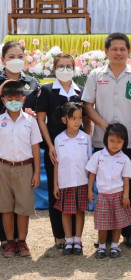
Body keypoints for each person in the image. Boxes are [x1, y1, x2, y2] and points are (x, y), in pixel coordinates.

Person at [82, 32, 131, 247]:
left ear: (129, 51)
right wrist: (104, 126)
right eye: (114, 49)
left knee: (125, 190)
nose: (119, 53)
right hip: (102, 143)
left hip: (130, 142)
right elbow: (87, 106)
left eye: (123, 49)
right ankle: (106, 232)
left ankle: (129, 231)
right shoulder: (95, 75)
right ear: (106, 51)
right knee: (104, 190)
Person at [36, 52, 88, 249]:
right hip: (56, 150)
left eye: (69, 66)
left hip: (78, 149)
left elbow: (87, 119)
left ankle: (75, 236)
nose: (65, 70)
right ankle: (60, 235)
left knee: (77, 191)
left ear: (74, 69)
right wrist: (49, 145)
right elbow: (41, 119)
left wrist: (87, 141)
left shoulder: (81, 91)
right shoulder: (47, 90)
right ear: (54, 69)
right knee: (56, 191)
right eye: (61, 66)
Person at [0, 41, 41, 248]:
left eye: (20, 56)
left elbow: (36, 109)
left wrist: (30, 114)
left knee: (22, 205)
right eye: (11, 56)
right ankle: (8, 241)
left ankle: (21, 240)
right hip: (4, 147)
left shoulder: (32, 83)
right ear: (2, 59)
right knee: (5, 204)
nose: (15, 60)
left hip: (24, 143)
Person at [87, 123, 131, 259]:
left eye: (119, 141)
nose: (115, 144)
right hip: (103, 195)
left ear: (124, 142)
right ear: (106, 140)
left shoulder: (125, 159)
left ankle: (115, 246)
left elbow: (126, 179)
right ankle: (102, 247)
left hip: (119, 196)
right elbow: (92, 174)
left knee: (118, 223)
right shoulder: (98, 156)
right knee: (102, 224)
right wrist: (90, 190)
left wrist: (126, 196)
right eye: (112, 141)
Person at [53, 102, 92, 256]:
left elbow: (89, 163)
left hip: (82, 181)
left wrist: (90, 185)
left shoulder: (86, 138)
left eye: (79, 118)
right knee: (66, 212)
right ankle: (68, 240)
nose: (77, 121)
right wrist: (56, 185)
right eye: (73, 118)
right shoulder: (59, 139)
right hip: (65, 182)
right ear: (65, 120)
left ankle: (78, 240)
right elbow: (56, 163)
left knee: (79, 211)